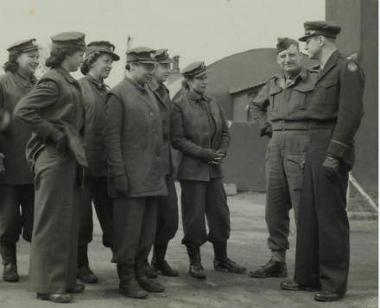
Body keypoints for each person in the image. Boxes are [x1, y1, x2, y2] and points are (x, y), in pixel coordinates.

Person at [281, 21, 365, 302]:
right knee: (309, 215)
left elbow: (350, 115)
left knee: (330, 218)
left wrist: (334, 153)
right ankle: (307, 277)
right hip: (315, 145)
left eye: (308, 41)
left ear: (320, 39)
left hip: (330, 147)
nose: (305, 46)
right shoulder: (323, 70)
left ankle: (333, 284)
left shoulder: (347, 68)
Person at [14, 32, 87, 303]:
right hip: (54, 158)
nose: (83, 57)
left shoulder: (66, 80)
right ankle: (48, 285)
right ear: (66, 53)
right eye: (80, 52)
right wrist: (54, 134)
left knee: (66, 222)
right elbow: (23, 110)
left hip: (67, 159)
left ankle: (64, 280)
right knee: (52, 223)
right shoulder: (53, 80)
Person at [249, 38, 318, 278]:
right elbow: (255, 106)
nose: (287, 60)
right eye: (283, 57)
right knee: (275, 206)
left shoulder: (315, 80)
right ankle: (277, 260)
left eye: (291, 55)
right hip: (275, 143)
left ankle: (308, 264)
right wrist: (267, 128)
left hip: (302, 143)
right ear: (278, 60)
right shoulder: (273, 83)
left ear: (301, 56)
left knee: (303, 207)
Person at [170, 61, 246, 280]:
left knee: (220, 214)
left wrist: (221, 151)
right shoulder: (179, 105)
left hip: (214, 171)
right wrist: (205, 153)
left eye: (205, 78)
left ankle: (221, 259)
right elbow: (177, 140)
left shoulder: (213, 102)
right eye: (200, 79)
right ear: (189, 81)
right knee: (194, 218)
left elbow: (225, 132)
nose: (204, 82)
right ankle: (195, 262)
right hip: (192, 171)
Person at [105, 47, 167, 299]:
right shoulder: (117, 95)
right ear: (130, 67)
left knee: (146, 231)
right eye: (146, 67)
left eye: (153, 67)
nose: (151, 72)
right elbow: (110, 139)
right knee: (128, 232)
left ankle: (141, 272)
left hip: (150, 178)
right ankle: (126, 278)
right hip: (130, 178)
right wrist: (119, 174)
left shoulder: (148, 93)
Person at [77, 41, 120, 284]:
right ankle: (80, 265)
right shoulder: (79, 88)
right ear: (91, 60)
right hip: (83, 168)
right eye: (106, 61)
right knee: (82, 221)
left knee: (113, 217)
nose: (109, 67)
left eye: (112, 63)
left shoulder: (108, 91)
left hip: (106, 168)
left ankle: (122, 260)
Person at [0, 39, 39, 282]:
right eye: (30, 56)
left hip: (36, 164)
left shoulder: (39, 83)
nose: (35, 60)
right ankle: (9, 264)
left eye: (37, 56)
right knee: (8, 218)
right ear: (16, 58)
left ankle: (39, 265)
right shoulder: (4, 84)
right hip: (11, 162)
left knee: (36, 218)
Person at [142, 49, 179, 278]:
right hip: (148, 164)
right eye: (163, 66)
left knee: (169, 217)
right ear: (152, 67)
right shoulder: (144, 91)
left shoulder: (165, 92)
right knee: (148, 218)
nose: (168, 70)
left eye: (168, 66)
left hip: (165, 163)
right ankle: (142, 261)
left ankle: (159, 258)